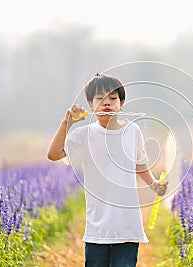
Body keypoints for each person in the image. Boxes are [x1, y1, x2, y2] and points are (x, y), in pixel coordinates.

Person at [47, 73, 168, 267]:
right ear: (90, 104)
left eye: (112, 99)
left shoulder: (132, 131)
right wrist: (67, 123)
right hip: (98, 227)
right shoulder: (85, 135)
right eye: (100, 99)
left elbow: (139, 164)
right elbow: (53, 154)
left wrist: (153, 184)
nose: (106, 104)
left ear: (122, 103)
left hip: (127, 226)